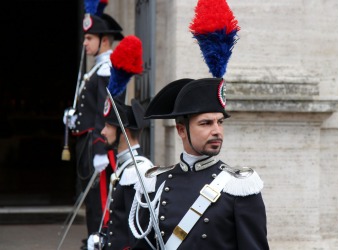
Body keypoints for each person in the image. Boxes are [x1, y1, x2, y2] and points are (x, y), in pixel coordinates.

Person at [130, 77, 270, 249]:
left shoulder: (238, 186)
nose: (217, 131)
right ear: (182, 130)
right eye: (206, 123)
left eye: (220, 122)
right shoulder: (156, 183)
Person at [64, 12, 124, 248]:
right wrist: (73, 118)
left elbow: (105, 112)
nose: (84, 43)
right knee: (91, 198)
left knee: (99, 198)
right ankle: (93, 236)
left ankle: (101, 238)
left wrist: (101, 149)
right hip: (85, 143)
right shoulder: (94, 70)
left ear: (105, 40)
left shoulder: (106, 69)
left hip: (95, 144)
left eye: (89, 38)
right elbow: (90, 109)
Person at [87, 98, 153, 250]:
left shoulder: (138, 171)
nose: (102, 131)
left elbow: (138, 233)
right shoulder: (125, 166)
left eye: (108, 126)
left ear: (124, 132)